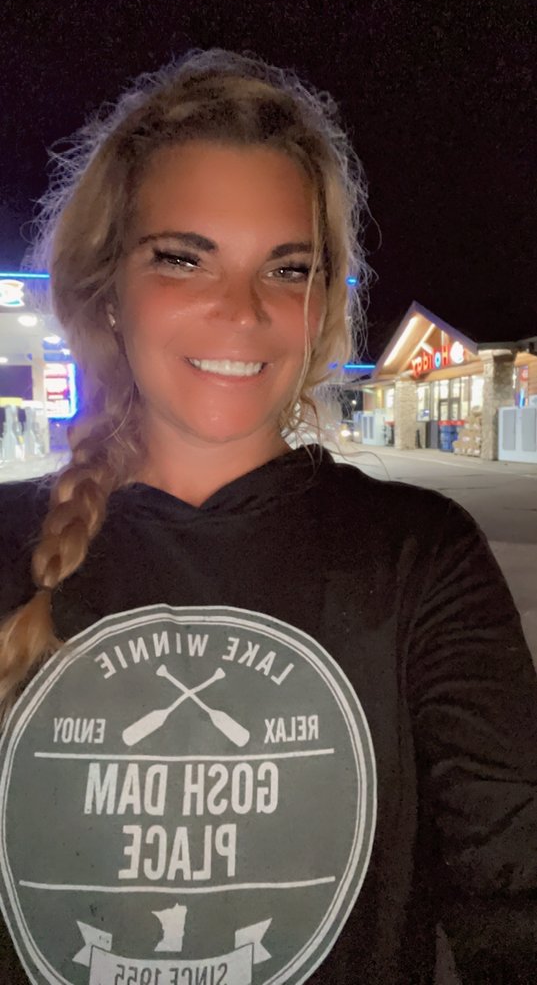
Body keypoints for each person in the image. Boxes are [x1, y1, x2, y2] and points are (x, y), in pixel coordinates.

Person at [0, 49, 536, 985]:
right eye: (182, 259)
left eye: (286, 269)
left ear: (319, 306)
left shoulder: (418, 558)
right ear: (106, 288)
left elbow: (511, 882)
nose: (242, 310)